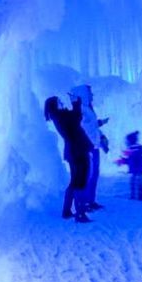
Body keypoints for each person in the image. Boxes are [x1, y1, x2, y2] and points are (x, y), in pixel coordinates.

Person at [44, 95, 94, 223]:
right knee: (80, 182)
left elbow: (75, 118)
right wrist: (76, 104)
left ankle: (67, 211)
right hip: (78, 151)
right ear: (55, 105)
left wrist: (75, 106)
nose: (61, 103)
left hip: (73, 151)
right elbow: (76, 118)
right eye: (59, 102)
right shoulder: (61, 116)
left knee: (75, 182)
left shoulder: (58, 116)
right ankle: (80, 213)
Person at [69, 85, 109, 210]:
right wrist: (99, 123)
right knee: (88, 175)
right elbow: (85, 128)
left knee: (94, 174)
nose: (92, 95)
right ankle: (84, 202)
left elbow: (92, 128)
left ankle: (90, 200)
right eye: (90, 93)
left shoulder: (88, 109)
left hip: (94, 146)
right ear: (83, 94)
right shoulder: (79, 110)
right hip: (87, 147)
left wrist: (101, 138)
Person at [116, 131, 142, 201]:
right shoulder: (133, 150)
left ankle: (140, 196)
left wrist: (122, 160)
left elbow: (132, 159)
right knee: (136, 182)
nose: (126, 143)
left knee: (137, 182)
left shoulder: (134, 150)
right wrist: (122, 161)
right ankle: (137, 195)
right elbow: (130, 161)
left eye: (127, 141)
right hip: (136, 170)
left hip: (137, 170)